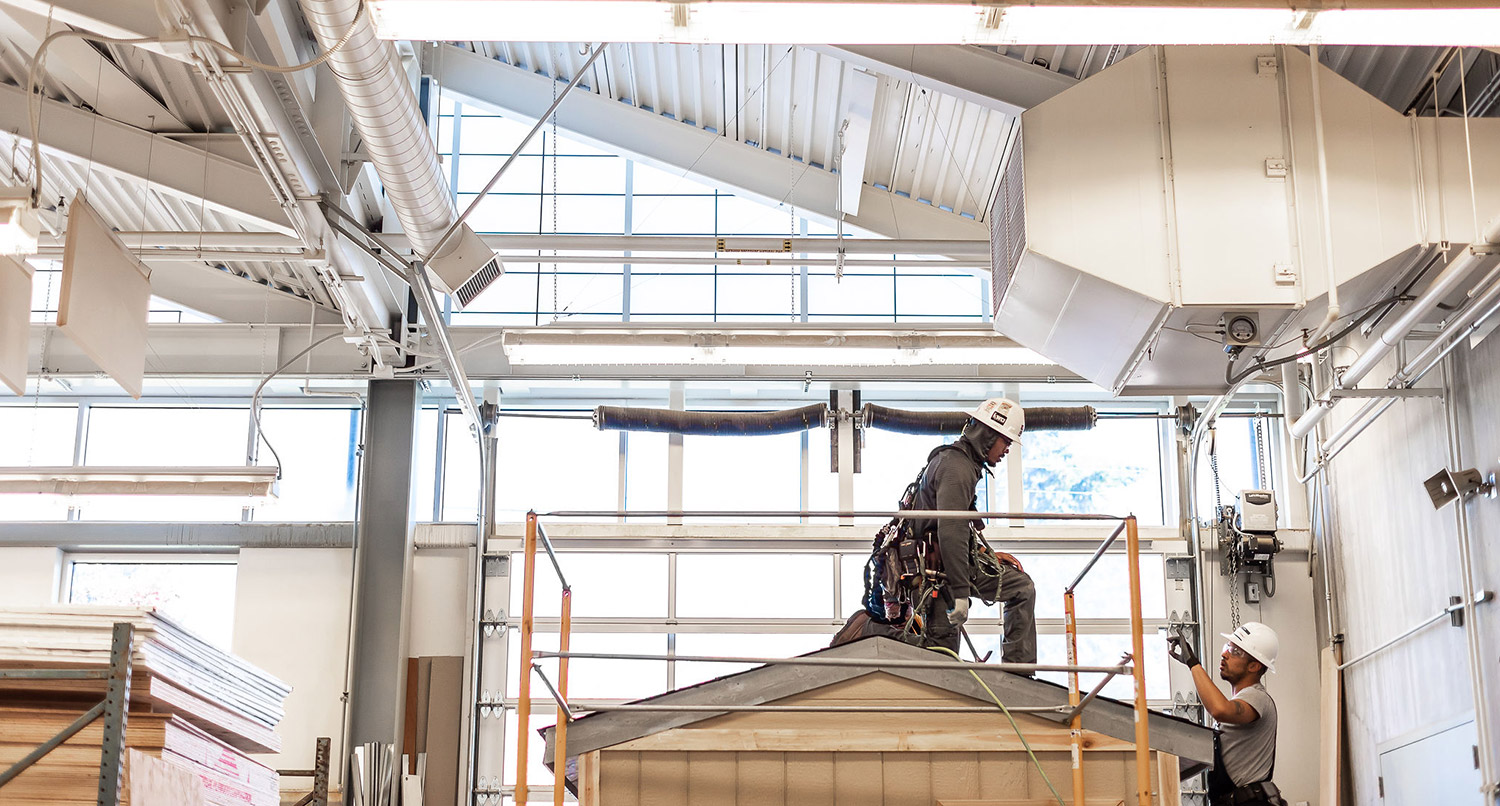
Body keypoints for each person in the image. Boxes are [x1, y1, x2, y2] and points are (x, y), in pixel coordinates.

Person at [909, 397, 1036, 664]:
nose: (1007, 450)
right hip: (939, 577)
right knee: (942, 660)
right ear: (988, 436)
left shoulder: (960, 463)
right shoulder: (956, 468)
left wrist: (981, 552)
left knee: (1020, 587)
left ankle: (1019, 673)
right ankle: (1019, 674)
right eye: (1006, 442)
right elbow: (950, 531)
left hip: (947, 568)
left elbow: (952, 528)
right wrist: (960, 593)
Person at [1167, 622, 1286, 806]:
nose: (1224, 654)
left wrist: (1193, 663)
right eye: (1227, 647)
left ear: (1254, 666)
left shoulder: (1258, 697)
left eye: (1235, 652)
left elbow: (1220, 710)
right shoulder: (1241, 701)